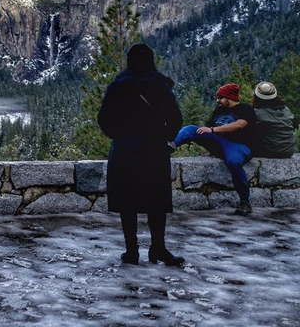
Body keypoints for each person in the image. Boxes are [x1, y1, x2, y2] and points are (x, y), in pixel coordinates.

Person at [98, 44, 184, 266]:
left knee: (127, 202)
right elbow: (176, 119)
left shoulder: (118, 86)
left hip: (125, 151)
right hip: (155, 150)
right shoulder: (161, 86)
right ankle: (158, 248)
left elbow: (104, 119)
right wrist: (164, 136)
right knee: (157, 201)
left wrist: (119, 136)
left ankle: (132, 251)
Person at [174, 83, 256, 216]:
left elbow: (239, 125)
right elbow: (206, 130)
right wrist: (212, 149)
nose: (218, 100)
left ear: (230, 98)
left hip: (238, 145)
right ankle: (167, 147)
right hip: (219, 142)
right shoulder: (218, 111)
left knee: (234, 162)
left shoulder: (245, 109)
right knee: (190, 129)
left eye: (221, 98)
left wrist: (213, 130)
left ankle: (244, 201)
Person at [252, 81, 297, 158]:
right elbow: (294, 124)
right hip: (289, 150)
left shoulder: (257, 113)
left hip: (269, 151)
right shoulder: (286, 110)